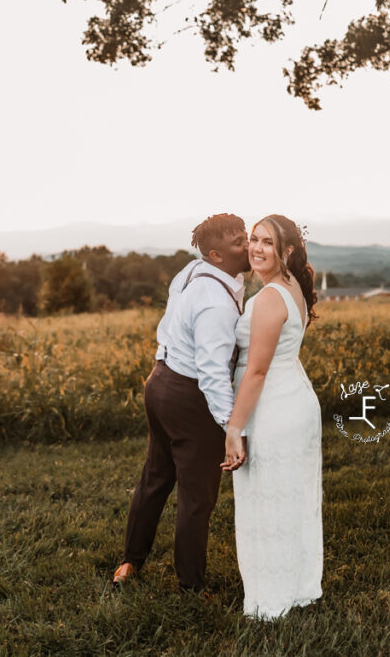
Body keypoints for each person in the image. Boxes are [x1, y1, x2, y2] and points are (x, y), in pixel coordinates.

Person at [113, 213, 250, 591]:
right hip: (190, 396)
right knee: (197, 495)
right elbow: (212, 372)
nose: (249, 245)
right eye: (240, 241)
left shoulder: (191, 271)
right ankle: (192, 585)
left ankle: (130, 562)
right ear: (216, 254)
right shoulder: (216, 305)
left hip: (160, 379)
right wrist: (230, 427)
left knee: (155, 477)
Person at [221, 214, 323, 620]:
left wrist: (234, 428)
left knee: (267, 499)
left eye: (267, 242)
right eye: (253, 240)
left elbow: (257, 371)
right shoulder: (291, 287)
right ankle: (295, 587)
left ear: (288, 251)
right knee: (291, 497)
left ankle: (270, 601)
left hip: (274, 408)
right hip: (294, 397)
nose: (256, 248)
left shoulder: (267, 298)